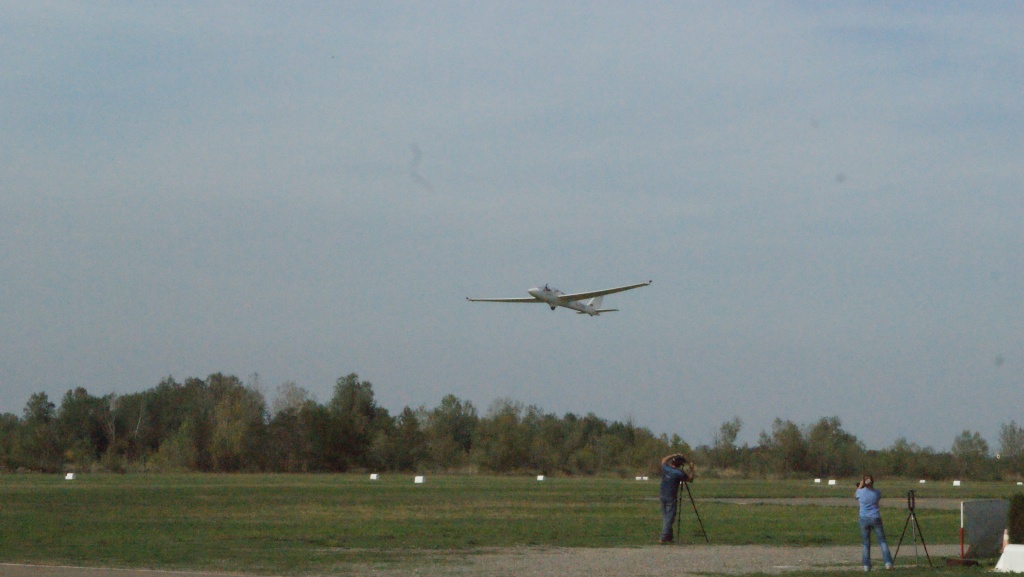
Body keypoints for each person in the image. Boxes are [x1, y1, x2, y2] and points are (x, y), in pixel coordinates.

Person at [855, 473, 894, 571]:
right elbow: (876, 495)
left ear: (864, 482)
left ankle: (866, 566)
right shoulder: (877, 492)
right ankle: (888, 563)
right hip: (875, 517)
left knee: (866, 543)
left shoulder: (860, 492)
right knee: (882, 541)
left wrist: (860, 485)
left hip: (864, 518)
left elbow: (855, 495)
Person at [659, 453, 695, 543]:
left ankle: (669, 537)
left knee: (666, 516)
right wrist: (691, 469)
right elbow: (690, 479)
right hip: (671, 497)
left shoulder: (665, 468)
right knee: (669, 518)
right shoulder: (679, 473)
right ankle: (663, 538)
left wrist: (674, 454)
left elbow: (663, 460)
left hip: (662, 495)